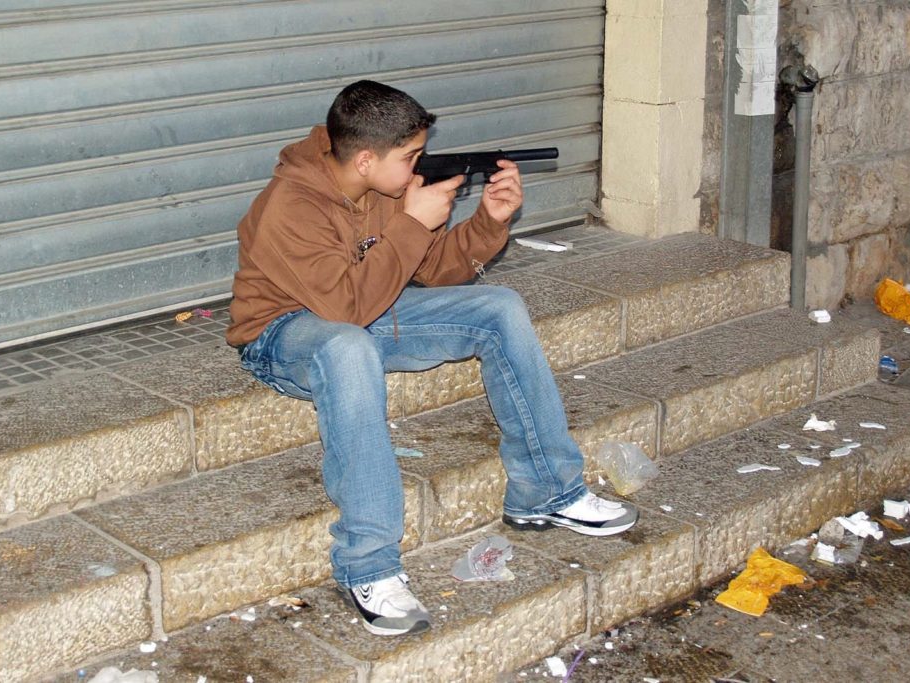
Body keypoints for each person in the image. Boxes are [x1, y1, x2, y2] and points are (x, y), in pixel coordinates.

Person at [227, 80, 637, 637]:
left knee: (498, 307)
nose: (419, 166)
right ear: (366, 158)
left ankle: (547, 489)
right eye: (411, 156)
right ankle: (367, 564)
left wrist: (488, 221)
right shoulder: (289, 207)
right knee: (348, 347)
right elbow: (344, 309)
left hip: (365, 313)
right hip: (284, 334)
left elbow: (433, 269)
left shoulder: (387, 188)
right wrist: (412, 223)